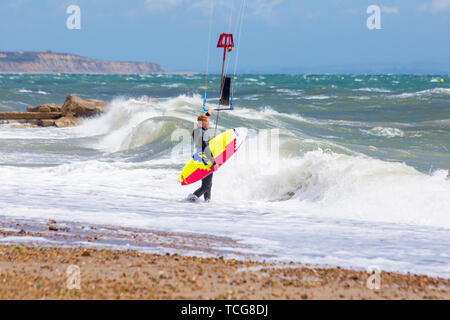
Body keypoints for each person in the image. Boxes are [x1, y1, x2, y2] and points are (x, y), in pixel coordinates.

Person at [187, 109, 219, 202]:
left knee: (208, 184)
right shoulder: (201, 132)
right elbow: (205, 148)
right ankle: (191, 199)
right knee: (206, 186)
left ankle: (207, 202)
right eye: (208, 122)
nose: (209, 124)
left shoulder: (197, 130)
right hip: (206, 160)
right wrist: (214, 163)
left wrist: (208, 114)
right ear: (204, 123)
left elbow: (204, 144)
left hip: (201, 160)